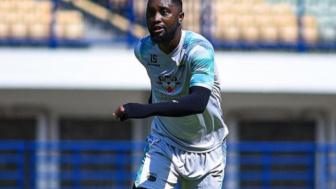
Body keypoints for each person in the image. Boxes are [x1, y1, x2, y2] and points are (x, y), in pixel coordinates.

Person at [113, 0, 229, 188]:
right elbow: (159, 80)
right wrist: (153, 102)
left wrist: (147, 109)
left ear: (180, 17)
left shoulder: (198, 50)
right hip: (164, 141)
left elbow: (197, 103)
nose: (156, 19)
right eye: (151, 13)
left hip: (207, 148)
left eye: (164, 12)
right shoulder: (143, 50)